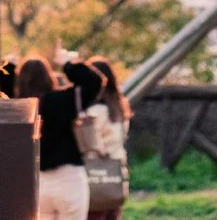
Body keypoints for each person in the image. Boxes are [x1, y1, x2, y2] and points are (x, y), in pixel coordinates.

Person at [13, 56, 100, 220]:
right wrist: (68, 64)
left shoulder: (17, 109)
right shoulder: (62, 101)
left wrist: (9, 68)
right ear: (48, 77)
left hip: (35, 183)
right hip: (69, 178)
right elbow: (94, 81)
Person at [75, 56, 130, 220]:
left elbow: (90, 144)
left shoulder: (93, 113)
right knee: (113, 214)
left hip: (94, 173)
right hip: (117, 171)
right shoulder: (120, 109)